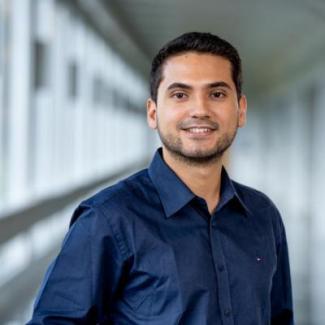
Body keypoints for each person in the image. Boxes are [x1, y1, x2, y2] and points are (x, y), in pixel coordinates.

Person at [27, 32, 294, 324]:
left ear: (240, 110)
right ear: (153, 113)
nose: (200, 110)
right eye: (180, 95)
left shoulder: (263, 215)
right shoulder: (108, 218)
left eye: (217, 94)